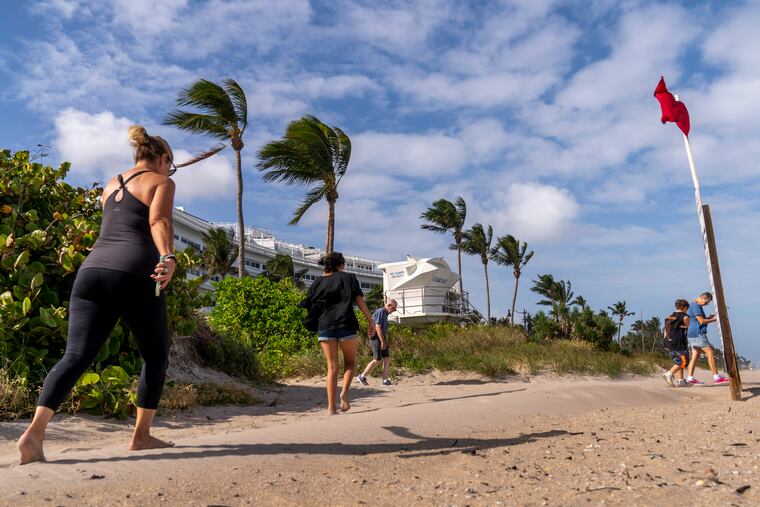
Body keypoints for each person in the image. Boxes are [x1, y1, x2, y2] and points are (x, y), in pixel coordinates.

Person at [17, 125, 178, 465]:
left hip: (90, 272)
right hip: (134, 273)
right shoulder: (162, 182)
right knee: (156, 355)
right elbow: (159, 220)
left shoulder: (110, 185)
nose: (170, 171)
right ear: (162, 159)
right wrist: (168, 257)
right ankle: (142, 436)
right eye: (170, 165)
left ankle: (34, 433)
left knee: (75, 356)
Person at [307, 252, 376, 414]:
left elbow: (311, 305)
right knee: (350, 363)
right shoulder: (350, 278)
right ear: (341, 265)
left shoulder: (318, 282)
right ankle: (344, 394)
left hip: (325, 326)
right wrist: (371, 321)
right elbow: (359, 301)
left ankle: (331, 408)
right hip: (346, 324)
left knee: (331, 368)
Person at [685, 292, 729, 385]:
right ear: (702, 298)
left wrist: (709, 317)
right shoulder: (695, 305)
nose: (706, 304)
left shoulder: (694, 305)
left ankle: (690, 377)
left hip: (691, 334)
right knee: (710, 353)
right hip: (698, 333)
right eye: (706, 302)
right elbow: (701, 321)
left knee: (695, 355)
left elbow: (699, 320)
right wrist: (716, 319)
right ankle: (716, 377)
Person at [357, 299, 398, 386]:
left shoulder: (385, 313)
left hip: (381, 337)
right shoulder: (381, 311)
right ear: (389, 306)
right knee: (377, 359)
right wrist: (383, 341)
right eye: (393, 309)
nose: (393, 311)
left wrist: (384, 340)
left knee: (386, 358)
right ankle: (362, 376)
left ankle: (385, 380)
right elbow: (377, 327)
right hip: (376, 338)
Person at [662, 299, 691, 388]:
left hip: (668, 342)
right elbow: (687, 323)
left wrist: (665, 342)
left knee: (678, 361)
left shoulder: (669, 317)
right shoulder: (684, 316)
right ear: (685, 307)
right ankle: (669, 374)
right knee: (684, 361)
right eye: (687, 309)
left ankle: (681, 380)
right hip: (678, 342)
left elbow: (665, 330)